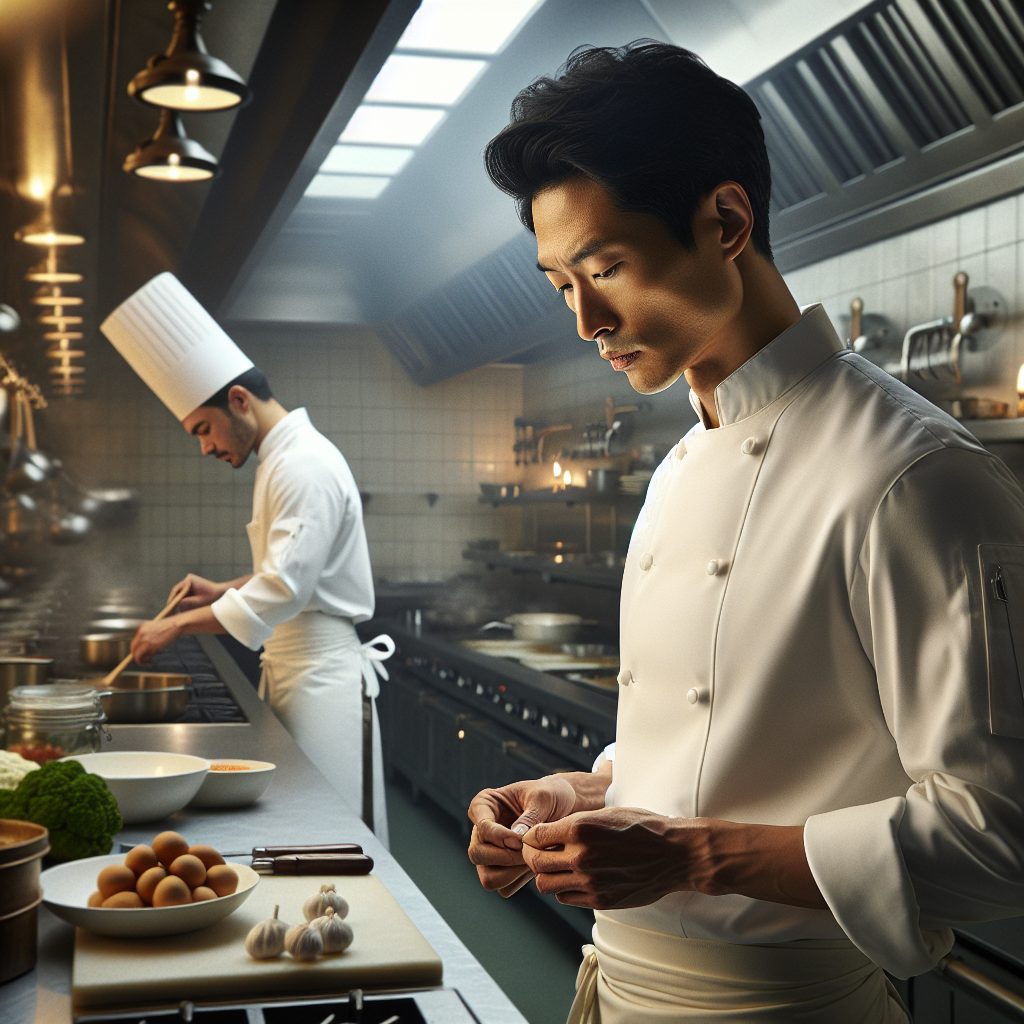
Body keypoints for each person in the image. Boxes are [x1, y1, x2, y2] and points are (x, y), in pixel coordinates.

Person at [466, 42, 1024, 1023]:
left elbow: (999, 835)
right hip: (615, 990)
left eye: (607, 267)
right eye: (561, 283)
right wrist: (581, 795)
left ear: (725, 222)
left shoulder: (912, 475)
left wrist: (689, 858)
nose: (587, 319)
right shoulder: (680, 464)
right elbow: (711, 748)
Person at [101, 272, 392, 844]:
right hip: (295, 670)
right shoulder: (281, 459)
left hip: (322, 680)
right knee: (300, 827)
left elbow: (285, 589)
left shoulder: (302, 464)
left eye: (204, 429)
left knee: (327, 835)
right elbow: (288, 574)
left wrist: (175, 625)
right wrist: (222, 591)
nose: (206, 446)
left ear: (239, 400)